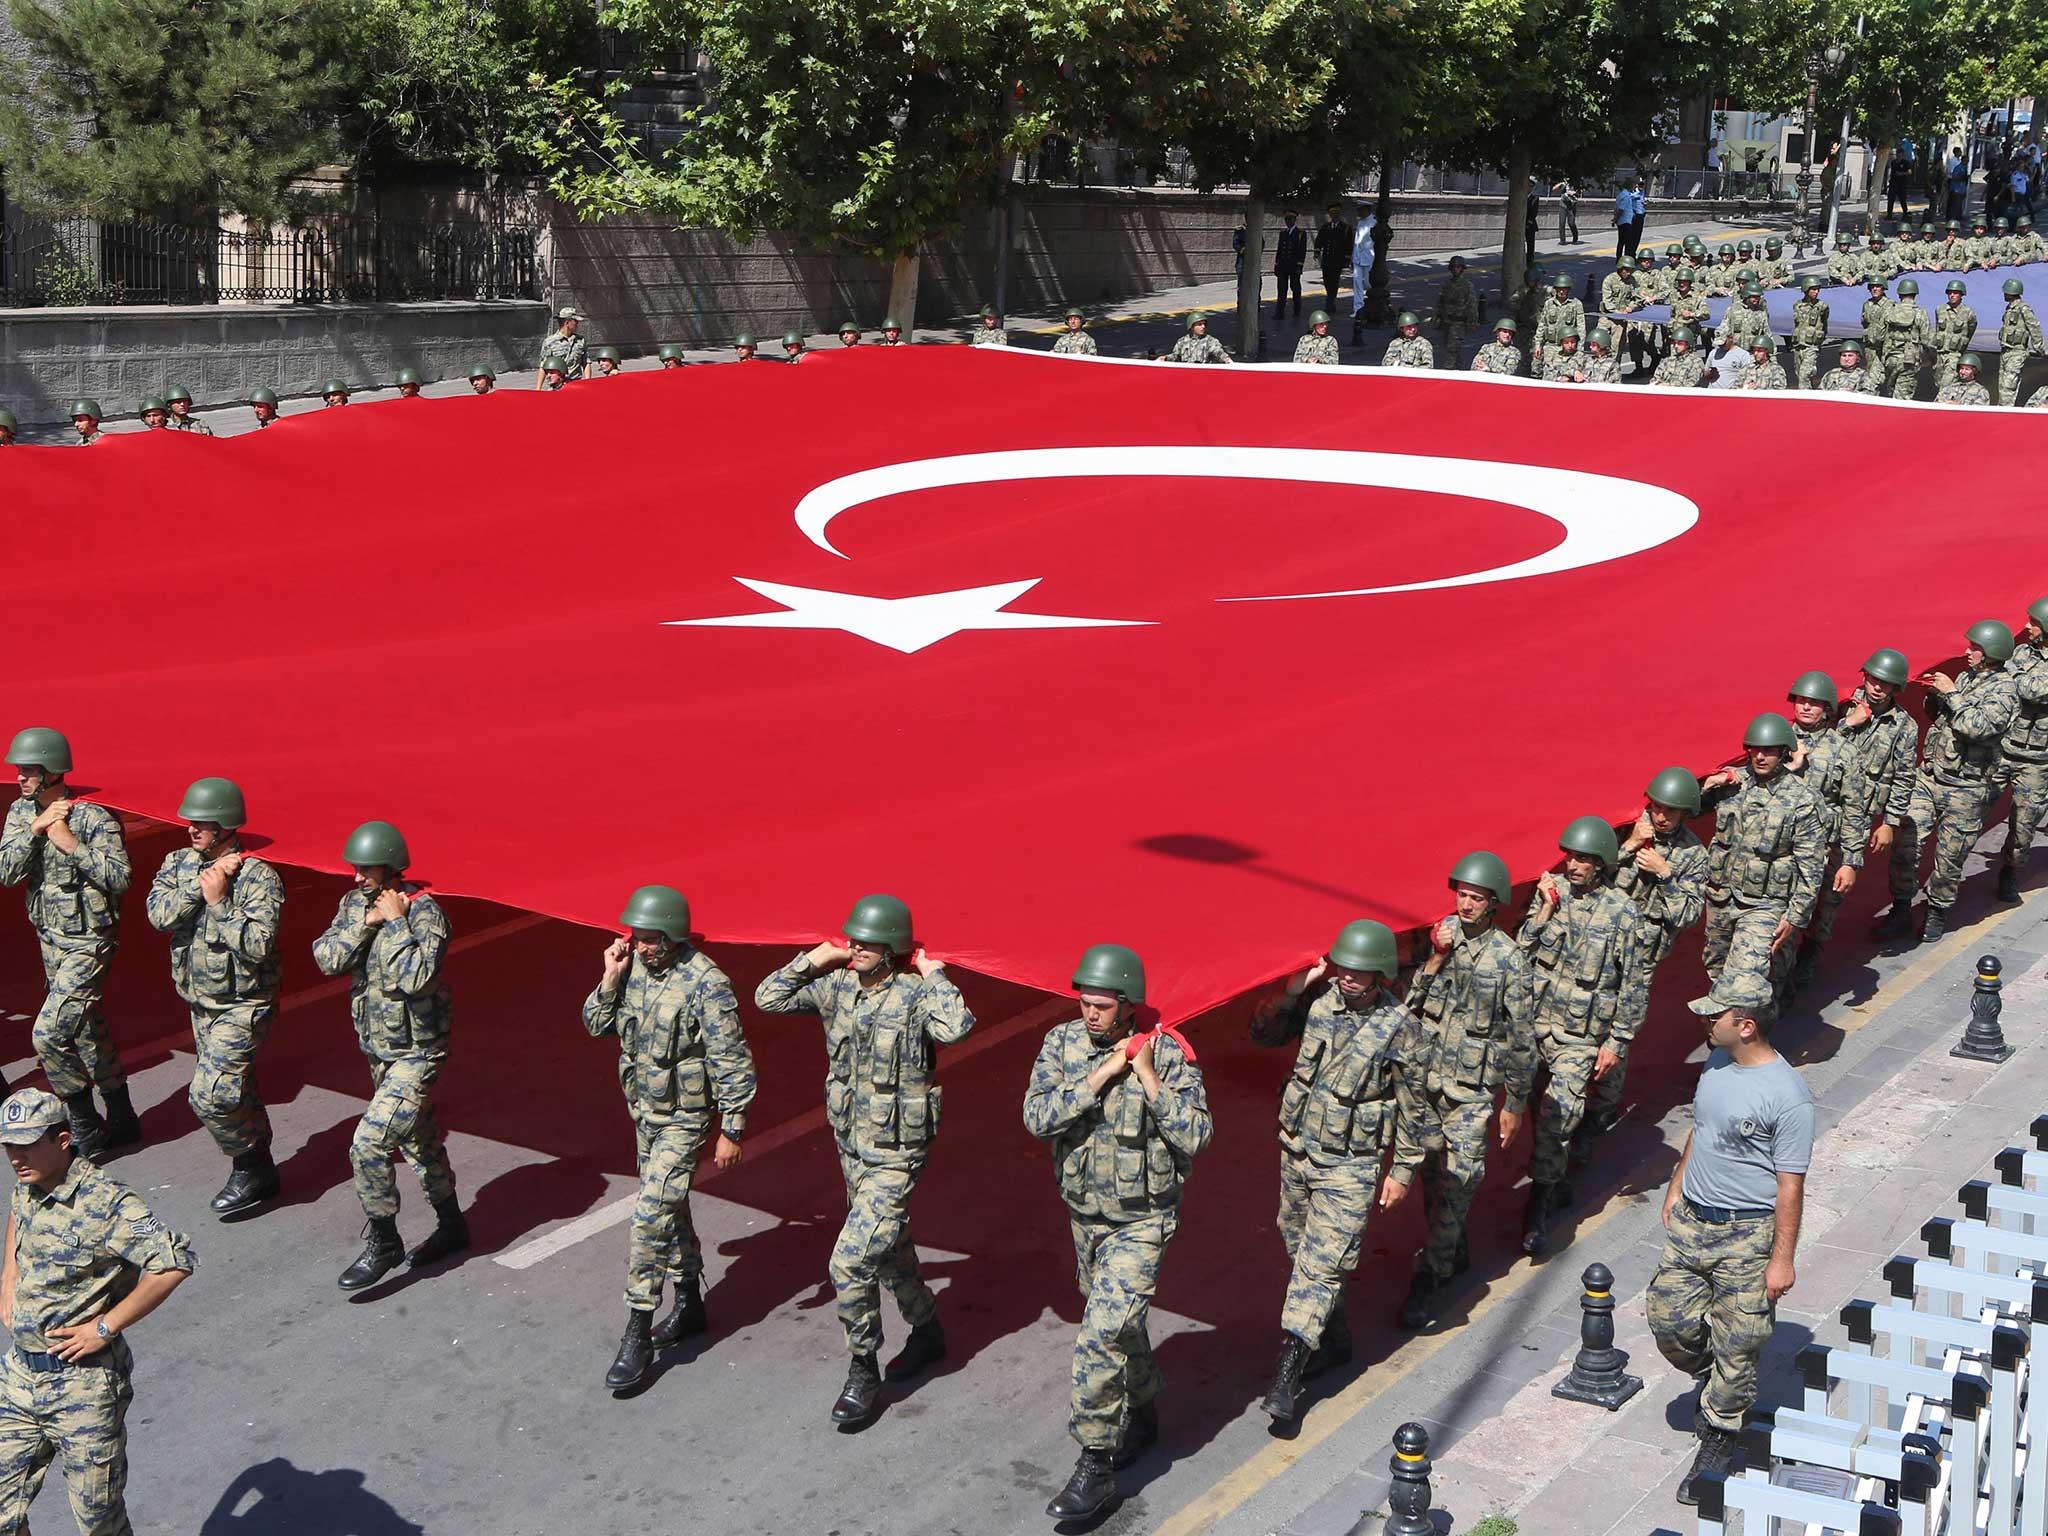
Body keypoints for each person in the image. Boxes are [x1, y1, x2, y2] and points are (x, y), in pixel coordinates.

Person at [754, 896, 971, 1426]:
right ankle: (927, 1329)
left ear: (892, 948)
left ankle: (862, 1369)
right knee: (890, 1247)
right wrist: (816, 958)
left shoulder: (917, 997)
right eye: (852, 939)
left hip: (897, 1154)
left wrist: (934, 973)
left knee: (850, 1262)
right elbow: (768, 998)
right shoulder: (838, 987)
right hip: (851, 1144)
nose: (854, 947)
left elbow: (956, 1027)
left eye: (866, 942)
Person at [1023, 944, 1209, 1522]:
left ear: (1128, 1005)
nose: (1091, 1015)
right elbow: (1036, 1118)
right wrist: (1100, 1075)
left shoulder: (1169, 1054)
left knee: (1101, 1334)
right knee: (1119, 1325)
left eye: (1103, 1006)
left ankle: (1095, 1466)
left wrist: (1148, 1077)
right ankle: (1146, 1406)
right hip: (1085, 1217)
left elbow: (1197, 1137)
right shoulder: (1062, 1045)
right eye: (1085, 1003)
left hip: (1142, 1221)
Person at [1649, 974, 1812, 1506]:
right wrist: (1676, 1187)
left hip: (1748, 1232)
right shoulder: (1718, 1063)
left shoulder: (1787, 1097)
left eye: (1714, 1015)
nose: (1704, 1020)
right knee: (1668, 1320)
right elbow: (1702, 1128)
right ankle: (1715, 1377)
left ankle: (1719, 1440)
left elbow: (1790, 1185)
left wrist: (1781, 1260)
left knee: (1740, 1346)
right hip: (1694, 1220)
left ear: (1745, 1025)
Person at [0, 1086, 193, 1536]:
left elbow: (173, 1263)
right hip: (19, 1378)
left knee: (98, 1523)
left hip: (83, 1387)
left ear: (62, 1141)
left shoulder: (106, 1203)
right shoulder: (28, 1184)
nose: (15, 1156)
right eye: (9, 1145)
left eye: (26, 1144)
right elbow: (18, 1216)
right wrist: (7, 1279)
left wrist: (104, 1327)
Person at [584, 886, 755, 1391]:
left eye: (650, 937)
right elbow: (596, 1025)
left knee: (651, 1213)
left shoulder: (707, 983)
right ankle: (690, 1302)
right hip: (645, 1112)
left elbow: (732, 1059)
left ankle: (637, 1329)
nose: (640, 944)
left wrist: (732, 1128)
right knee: (671, 1207)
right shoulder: (630, 967)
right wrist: (611, 976)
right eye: (636, 935)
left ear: (674, 935)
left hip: (686, 1116)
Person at [1247, 920, 1415, 1421]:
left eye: (1360, 972)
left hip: (1352, 1164)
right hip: (1299, 1152)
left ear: (1380, 975)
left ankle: (1289, 1368)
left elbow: (1415, 1106)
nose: (1348, 977)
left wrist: (1402, 1170)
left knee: (1321, 1264)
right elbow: (1262, 1034)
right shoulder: (1319, 1005)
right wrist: (1293, 990)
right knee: (1298, 1246)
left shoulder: (1400, 1027)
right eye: (1343, 968)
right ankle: (1334, 1337)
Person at [312, 821, 468, 1291]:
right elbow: (326, 958)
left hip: (418, 1053)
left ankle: (384, 1240)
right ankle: (452, 1223)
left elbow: (416, 978)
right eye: (356, 870)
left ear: (392, 869)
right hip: (379, 1051)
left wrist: (397, 923)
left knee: (369, 1144)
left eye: (366, 870)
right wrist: (366, 923)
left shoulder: (426, 916)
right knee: (419, 1141)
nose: (358, 878)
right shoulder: (355, 906)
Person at [1386, 851, 1532, 1330]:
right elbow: (1407, 1005)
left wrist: (1514, 1102)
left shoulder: (1509, 959)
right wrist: (1435, 956)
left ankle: (1430, 1276)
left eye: (1476, 898)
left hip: (1471, 1091)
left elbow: (1520, 1035)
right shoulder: (1441, 938)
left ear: (1494, 903)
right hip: (1427, 1083)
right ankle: (1453, 1246)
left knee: (1458, 1179)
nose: (1466, 905)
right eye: (1462, 895)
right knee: (1432, 1172)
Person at [143, 778, 284, 1217]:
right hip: (200, 1000)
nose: (191, 829)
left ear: (225, 825)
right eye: (191, 821)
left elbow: (259, 946)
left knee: (210, 1095)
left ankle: (249, 1164)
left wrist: (220, 902)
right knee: (238, 1090)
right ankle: (262, 1165)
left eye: (202, 823)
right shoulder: (179, 862)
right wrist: (197, 887)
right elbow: (158, 915)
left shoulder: (260, 877)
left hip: (244, 1003)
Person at [0, 729, 137, 1159]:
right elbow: (5, 870)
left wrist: (70, 844)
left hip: (89, 940)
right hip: (51, 939)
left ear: (53, 771)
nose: (20, 778)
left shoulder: (91, 817)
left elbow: (121, 877)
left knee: (48, 1032)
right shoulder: (23, 813)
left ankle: (84, 1122)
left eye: (28, 771)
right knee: (85, 1027)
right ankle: (121, 1115)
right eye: (19, 771)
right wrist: (36, 831)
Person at [1515, 818, 1640, 1256]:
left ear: (1602, 864)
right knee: (1533, 1109)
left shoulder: (1622, 912)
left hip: (1582, 1037)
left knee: (1556, 1115)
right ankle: (1556, 1172)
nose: (1574, 865)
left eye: (1584, 859)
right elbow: (1520, 956)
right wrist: (1543, 912)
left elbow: (1633, 984)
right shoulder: (1551, 898)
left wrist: (1616, 1041)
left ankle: (1539, 1205)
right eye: (1570, 856)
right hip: (1538, 1028)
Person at [1581, 769, 1709, 1149]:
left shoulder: (1693, 855)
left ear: (1685, 814)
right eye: (1657, 807)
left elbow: (1687, 915)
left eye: (1671, 811)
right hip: (1600, 948)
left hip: (1641, 959)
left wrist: (1665, 874)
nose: (1661, 816)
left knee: (1619, 1031)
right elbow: (1592, 880)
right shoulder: (1628, 833)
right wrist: (1629, 846)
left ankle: (1599, 1112)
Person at [1697, 714, 1826, 1013]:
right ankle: (1736, 1014)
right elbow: (1688, 809)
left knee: (1747, 971)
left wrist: (1795, 918)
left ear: (1783, 752)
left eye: (1768, 750)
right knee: (1716, 963)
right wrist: (1707, 784)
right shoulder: (1731, 785)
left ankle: (1740, 1035)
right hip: (1721, 897)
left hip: (1766, 903)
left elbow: (1811, 868)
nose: (1760, 756)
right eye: (1754, 749)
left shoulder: (1802, 799)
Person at [1902, 621, 2019, 940]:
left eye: (1975, 649)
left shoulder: (2005, 690)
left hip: (1967, 788)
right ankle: (1901, 907)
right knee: (1907, 840)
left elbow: (1977, 727)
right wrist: (1935, 698)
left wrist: (1951, 694)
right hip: (1932, 777)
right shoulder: (1966, 678)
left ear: (1991, 653)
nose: (1968, 652)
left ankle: (1937, 910)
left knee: (1950, 857)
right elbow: (1943, 720)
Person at [1780, 675, 1872, 1000]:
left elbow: (1855, 810)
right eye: (1801, 700)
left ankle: (1811, 952)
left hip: (1823, 847)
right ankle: (1782, 980)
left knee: (1823, 909)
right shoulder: (1777, 741)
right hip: (1783, 846)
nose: (1806, 706)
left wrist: (1851, 861)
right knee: (1787, 914)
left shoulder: (1844, 753)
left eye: (1814, 702)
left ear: (1828, 710)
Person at [1843, 649, 1923, 942]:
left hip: (1861, 813)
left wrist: (1890, 822)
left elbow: (1904, 777)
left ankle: (1810, 952)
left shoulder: (1904, 726)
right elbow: (1813, 746)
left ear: (1896, 687)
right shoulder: (1843, 706)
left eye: (1885, 683)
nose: (1877, 688)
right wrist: (1848, 722)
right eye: (1873, 680)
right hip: (1825, 806)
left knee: (1838, 883)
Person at [1995, 599, 2048, 903]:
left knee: (2024, 825)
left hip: (2038, 761)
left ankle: (2010, 870)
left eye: (2034, 622)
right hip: (2004, 749)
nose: (2027, 627)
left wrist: (2013, 679)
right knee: (1971, 809)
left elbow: (2032, 690)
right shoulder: (2021, 652)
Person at [1998, 278, 2044, 405]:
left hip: (2017, 353)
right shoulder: (2009, 308)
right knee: (2002, 389)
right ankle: (2001, 413)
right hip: (2006, 352)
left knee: (2008, 388)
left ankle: (2005, 417)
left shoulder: (2024, 309)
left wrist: (2041, 349)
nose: (2004, 294)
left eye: (2005, 292)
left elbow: (2034, 328)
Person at [1532, 272, 1584, 372]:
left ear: (1568, 289)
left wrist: (1579, 349)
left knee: (1567, 372)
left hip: (1568, 347)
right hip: (1550, 347)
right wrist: (1538, 344)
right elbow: (1542, 325)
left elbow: (1581, 328)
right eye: (1559, 289)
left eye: (1564, 289)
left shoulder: (1576, 304)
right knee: (1548, 373)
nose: (1561, 291)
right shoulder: (1549, 303)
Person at [1434, 256, 1479, 368]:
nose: (1455, 269)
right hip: (1447, 322)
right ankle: (1460, 369)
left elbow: (1472, 305)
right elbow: (1441, 302)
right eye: (1453, 267)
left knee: (1452, 349)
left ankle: (1448, 372)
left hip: (1459, 324)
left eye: (1458, 267)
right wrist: (1437, 318)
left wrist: (1472, 322)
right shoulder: (1446, 285)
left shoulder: (1467, 285)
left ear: (1462, 268)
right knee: (1453, 350)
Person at [1933, 280, 1978, 381]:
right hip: (1939, 354)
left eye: (1955, 293)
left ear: (1961, 294)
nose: (1952, 295)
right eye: (1949, 293)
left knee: (1947, 384)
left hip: (1954, 354)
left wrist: (1961, 344)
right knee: (1938, 383)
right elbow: (1938, 329)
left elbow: (1971, 330)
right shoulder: (1940, 309)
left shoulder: (1968, 313)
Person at [1789, 278, 1829, 389]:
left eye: (1818, 289)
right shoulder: (1797, 305)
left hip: (1812, 346)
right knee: (1801, 374)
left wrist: (1819, 338)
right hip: (1798, 346)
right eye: (1814, 289)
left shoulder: (1822, 306)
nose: (1816, 292)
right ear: (1806, 290)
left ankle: (1803, 401)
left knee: (1804, 375)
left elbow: (1824, 322)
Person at [1314, 202, 1352, 317]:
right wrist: (1317, 252)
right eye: (1332, 214)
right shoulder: (1325, 227)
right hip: (1327, 259)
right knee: (1327, 281)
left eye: (1337, 214)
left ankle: (1330, 303)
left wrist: (1347, 259)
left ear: (1339, 215)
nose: (1334, 216)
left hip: (1337, 260)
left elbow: (1348, 244)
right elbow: (1319, 240)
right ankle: (1330, 300)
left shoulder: (1345, 228)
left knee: (1334, 282)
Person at [536, 307, 586, 387]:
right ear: (567, 323)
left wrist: (588, 383)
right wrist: (538, 388)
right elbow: (543, 366)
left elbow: (586, 363)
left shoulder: (580, 340)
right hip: (558, 387)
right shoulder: (550, 342)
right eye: (575, 321)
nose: (577, 324)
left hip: (576, 385)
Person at [1349, 208, 1377, 343]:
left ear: (1366, 210)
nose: (1358, 212)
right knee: (1357, 283)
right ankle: (1358, 309)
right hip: (1358, 257)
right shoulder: (1360, 223)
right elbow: (1356, 241)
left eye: (1360, 210)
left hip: (1368, 257)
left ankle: (1370, 308)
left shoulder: (1374, 223)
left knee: (1368, 283)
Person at [1273, 210, 1307, 321]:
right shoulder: (1283, 233)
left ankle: (1297, 310)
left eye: (1290, 219)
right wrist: (1277, 264)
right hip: (1283, 265)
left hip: (1294, 266)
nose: (1288, 221)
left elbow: (1302, 251)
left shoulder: (1301, 233)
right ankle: (1279, 312)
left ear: (1294, 219)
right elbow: (1279, 250)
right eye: (1286, 219)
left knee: (1295, 288)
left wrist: (1299, 266)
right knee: (1281, 289)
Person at [1166, 314, 1230, 364]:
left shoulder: (1210, 341)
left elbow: (1218, 352)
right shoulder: (1182, 341)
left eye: (1204, 324)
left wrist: (1226, 359)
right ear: (1191, 327)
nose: (1203, 327)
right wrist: (1165, 358)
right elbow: (1175, 356)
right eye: (1199, 324)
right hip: (1186, 375)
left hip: (1204, 376)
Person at [1614, 175, 1645, 260]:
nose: (1641, 186)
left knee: (1636, 237)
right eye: (1639, 184)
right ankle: (1628, 256)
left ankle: (1631, 255)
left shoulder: (1641, 193)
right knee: (1630, 240)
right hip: (1631, 219)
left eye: (1642, 184)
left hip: (1639, 216)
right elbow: (1621, 208)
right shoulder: (1630, 194)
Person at [1552, 176, 1580, 243]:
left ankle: (1575, 238)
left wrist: (1573, 193)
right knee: (1562, 223)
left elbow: (1579, 193)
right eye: (1566, 178)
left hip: (1572, 206)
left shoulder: (1575, 184)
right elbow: (1553, 189)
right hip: (1563, 206)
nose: (1567, 179)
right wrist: (1561, 183)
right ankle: (1562, 241)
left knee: (1571, 223)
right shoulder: (1563, 185)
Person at [1945, 147, 1970, 222]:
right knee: (1955, 205)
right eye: (1966, 161)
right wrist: (1964, 177)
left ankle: (1958, 218)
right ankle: (1952, 219)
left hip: (1961, 189)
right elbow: (1954, 177)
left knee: (1959, 206)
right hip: (1956, 189)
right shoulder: (1957, 166)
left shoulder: (1963, 167)